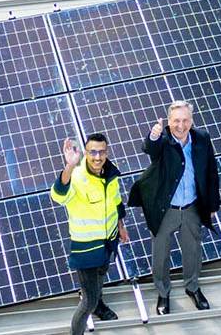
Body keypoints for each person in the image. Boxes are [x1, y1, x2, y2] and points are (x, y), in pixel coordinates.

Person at [137, 100, 221, 314]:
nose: (181, 125)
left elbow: (211, 170)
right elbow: (150, 149)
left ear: (191, 121)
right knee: (161, 252)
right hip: (167, 209)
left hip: (192, 206)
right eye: (176, 121)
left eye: (185, 120)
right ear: (168, 122)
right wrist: (154, 135)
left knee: (192, 249)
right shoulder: (163, 140)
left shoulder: (202, 138)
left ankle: (192, 287)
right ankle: (163, 292)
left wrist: (212, 203)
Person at [50, 134, 129, 335]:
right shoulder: (76, 176)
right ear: (86, 153)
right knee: (88, 301)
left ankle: (99, 305)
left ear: (106, 152)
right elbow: (58, 195)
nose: (97, 157)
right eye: (92, 152)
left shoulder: (111, 174)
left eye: (101, 152)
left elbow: (116, 201)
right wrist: (69, 166)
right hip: (86, 248)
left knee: (101, 276)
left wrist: (120, 226)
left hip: (108, 241)